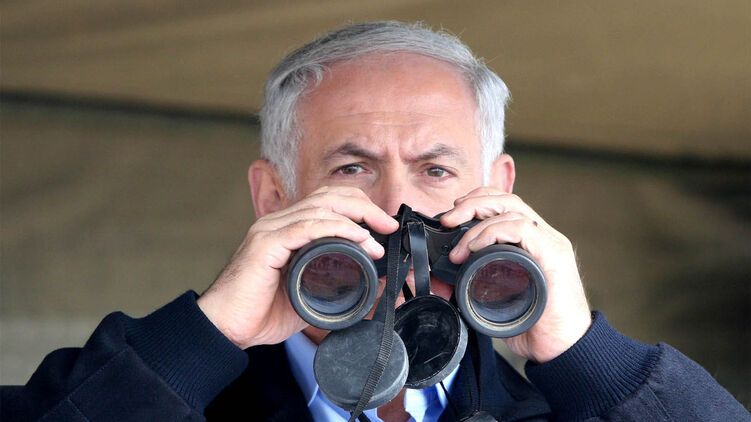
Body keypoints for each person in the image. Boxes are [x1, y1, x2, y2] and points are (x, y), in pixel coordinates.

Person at [2, 21, 748, 422]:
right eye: (351, 169)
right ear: (273, 199)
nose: (397, 209)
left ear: (499, 191)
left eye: (436, 171)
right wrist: (203, 340)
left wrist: (588, 357)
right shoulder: (179, 395)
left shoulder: (560, 409)